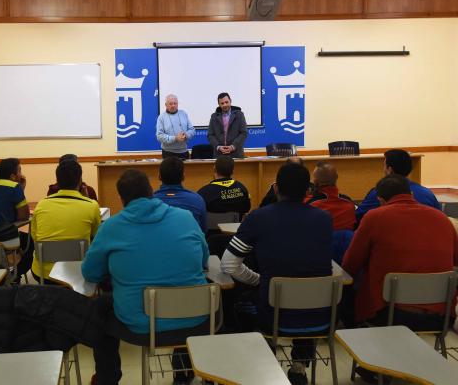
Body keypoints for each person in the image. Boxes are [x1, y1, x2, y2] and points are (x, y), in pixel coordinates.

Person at [82, 169, 209, 385]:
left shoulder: (112, 226)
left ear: (121, 198)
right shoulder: (185, 218)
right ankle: (185, 373)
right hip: (195, 318)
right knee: (185, 293)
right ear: (152, 191)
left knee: (99, 309)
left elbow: (90, 272)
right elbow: (204, 258)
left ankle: (107, 378)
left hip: (140, 323)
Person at [221, 163, 333, 385]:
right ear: (308, 190)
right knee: (305, 294)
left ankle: (266, 365)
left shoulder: (258, 218)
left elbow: (229, 265)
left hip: (273, 315)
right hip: (321, 315)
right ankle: (299, 368)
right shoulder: (324, 219)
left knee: (245, 303)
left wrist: (259, 281)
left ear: (275, 189)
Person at [342, 174, 457, 383]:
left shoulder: (375, 217)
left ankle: (371, 361)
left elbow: (350, 264)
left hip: (391, 312)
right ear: (412, 194)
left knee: (349, 293)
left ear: (380, 200)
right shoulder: (442, 218)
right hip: (441, 313)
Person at [31, 159, 101, 283]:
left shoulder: (41, 205)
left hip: (44, 273)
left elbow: (35, 237)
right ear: (80, 181)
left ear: (57, 182)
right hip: (78, 271)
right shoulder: (91, 206)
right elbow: (97, 238)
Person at [356, 149, 441, 222]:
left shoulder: (379, 193)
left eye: (384, 165)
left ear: (389, 170)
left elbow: (357, 217)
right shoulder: (427, 193)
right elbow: (440, 217)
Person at [153, 156, 207, 232]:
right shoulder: (197, 200)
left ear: (159, 176)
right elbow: (203, 230)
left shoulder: (149, 201)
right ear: (183, 176)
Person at [207, 92, 247, 158]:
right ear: (219, 104)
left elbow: (244, 133)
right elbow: (210, 135)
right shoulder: (214, 116)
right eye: (222, 103)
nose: (225, 105)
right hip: (219, 155)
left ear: (230, 101)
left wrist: (233, 146)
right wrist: (218, 147)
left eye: (226, 102)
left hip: (236, 154)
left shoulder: (239, 115)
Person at [156, 94, 195, 159]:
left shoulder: (184, 114)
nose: (173, 105)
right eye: (170, 104)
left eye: (175, 103)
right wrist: (175, 138)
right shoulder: (161, 117)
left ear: (177, 104)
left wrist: (186, 135)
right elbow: (159, 136)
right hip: (168, 153)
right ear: (166, 105)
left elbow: (192, 130)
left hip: (184, 151)